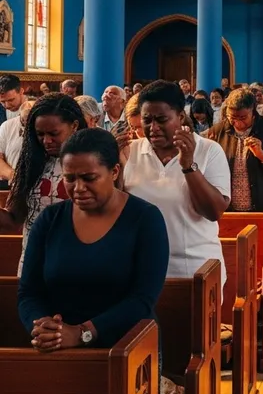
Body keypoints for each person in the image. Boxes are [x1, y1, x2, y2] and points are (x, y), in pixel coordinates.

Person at [18, 128, 169, 350]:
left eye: (89, 178)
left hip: (128, 348)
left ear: (114, 171)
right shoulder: (50, 219)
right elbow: (29, 291)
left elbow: (142, 298)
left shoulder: (145, 219)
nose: (78, 188)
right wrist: (44, 327)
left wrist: (82, 333)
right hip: (58, 347)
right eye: (69, 178)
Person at [122, 80, 231, 286]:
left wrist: (189, 165)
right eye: (147, 120)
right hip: (140, 269)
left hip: (195, 269)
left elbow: (213, 212)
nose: (153, 128)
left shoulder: (208, 150)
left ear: (180, 116)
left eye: (161, 119)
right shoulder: (130, 152)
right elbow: (114, 211)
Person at [0, 95, 87, 272]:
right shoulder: (30, 165)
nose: (46, 140)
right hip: (33, 265)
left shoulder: (91, 164)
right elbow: (14, 220)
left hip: (77, 264)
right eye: (40, 134)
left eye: (54, 133)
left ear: (74, 126)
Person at [205, 88, 263, 211]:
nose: (238, 123)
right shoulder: (218, 131)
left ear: (253, 111)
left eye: (243, 117)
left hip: (262, 205)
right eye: (232, 117)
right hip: (227, 207)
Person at [0, 99, 35, 184]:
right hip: (10, 182)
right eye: (24, 122)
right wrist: (13, 175)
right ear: (20, 115)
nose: (28, 126)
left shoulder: (45, 127)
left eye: (32, 122)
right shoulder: (7, 126)